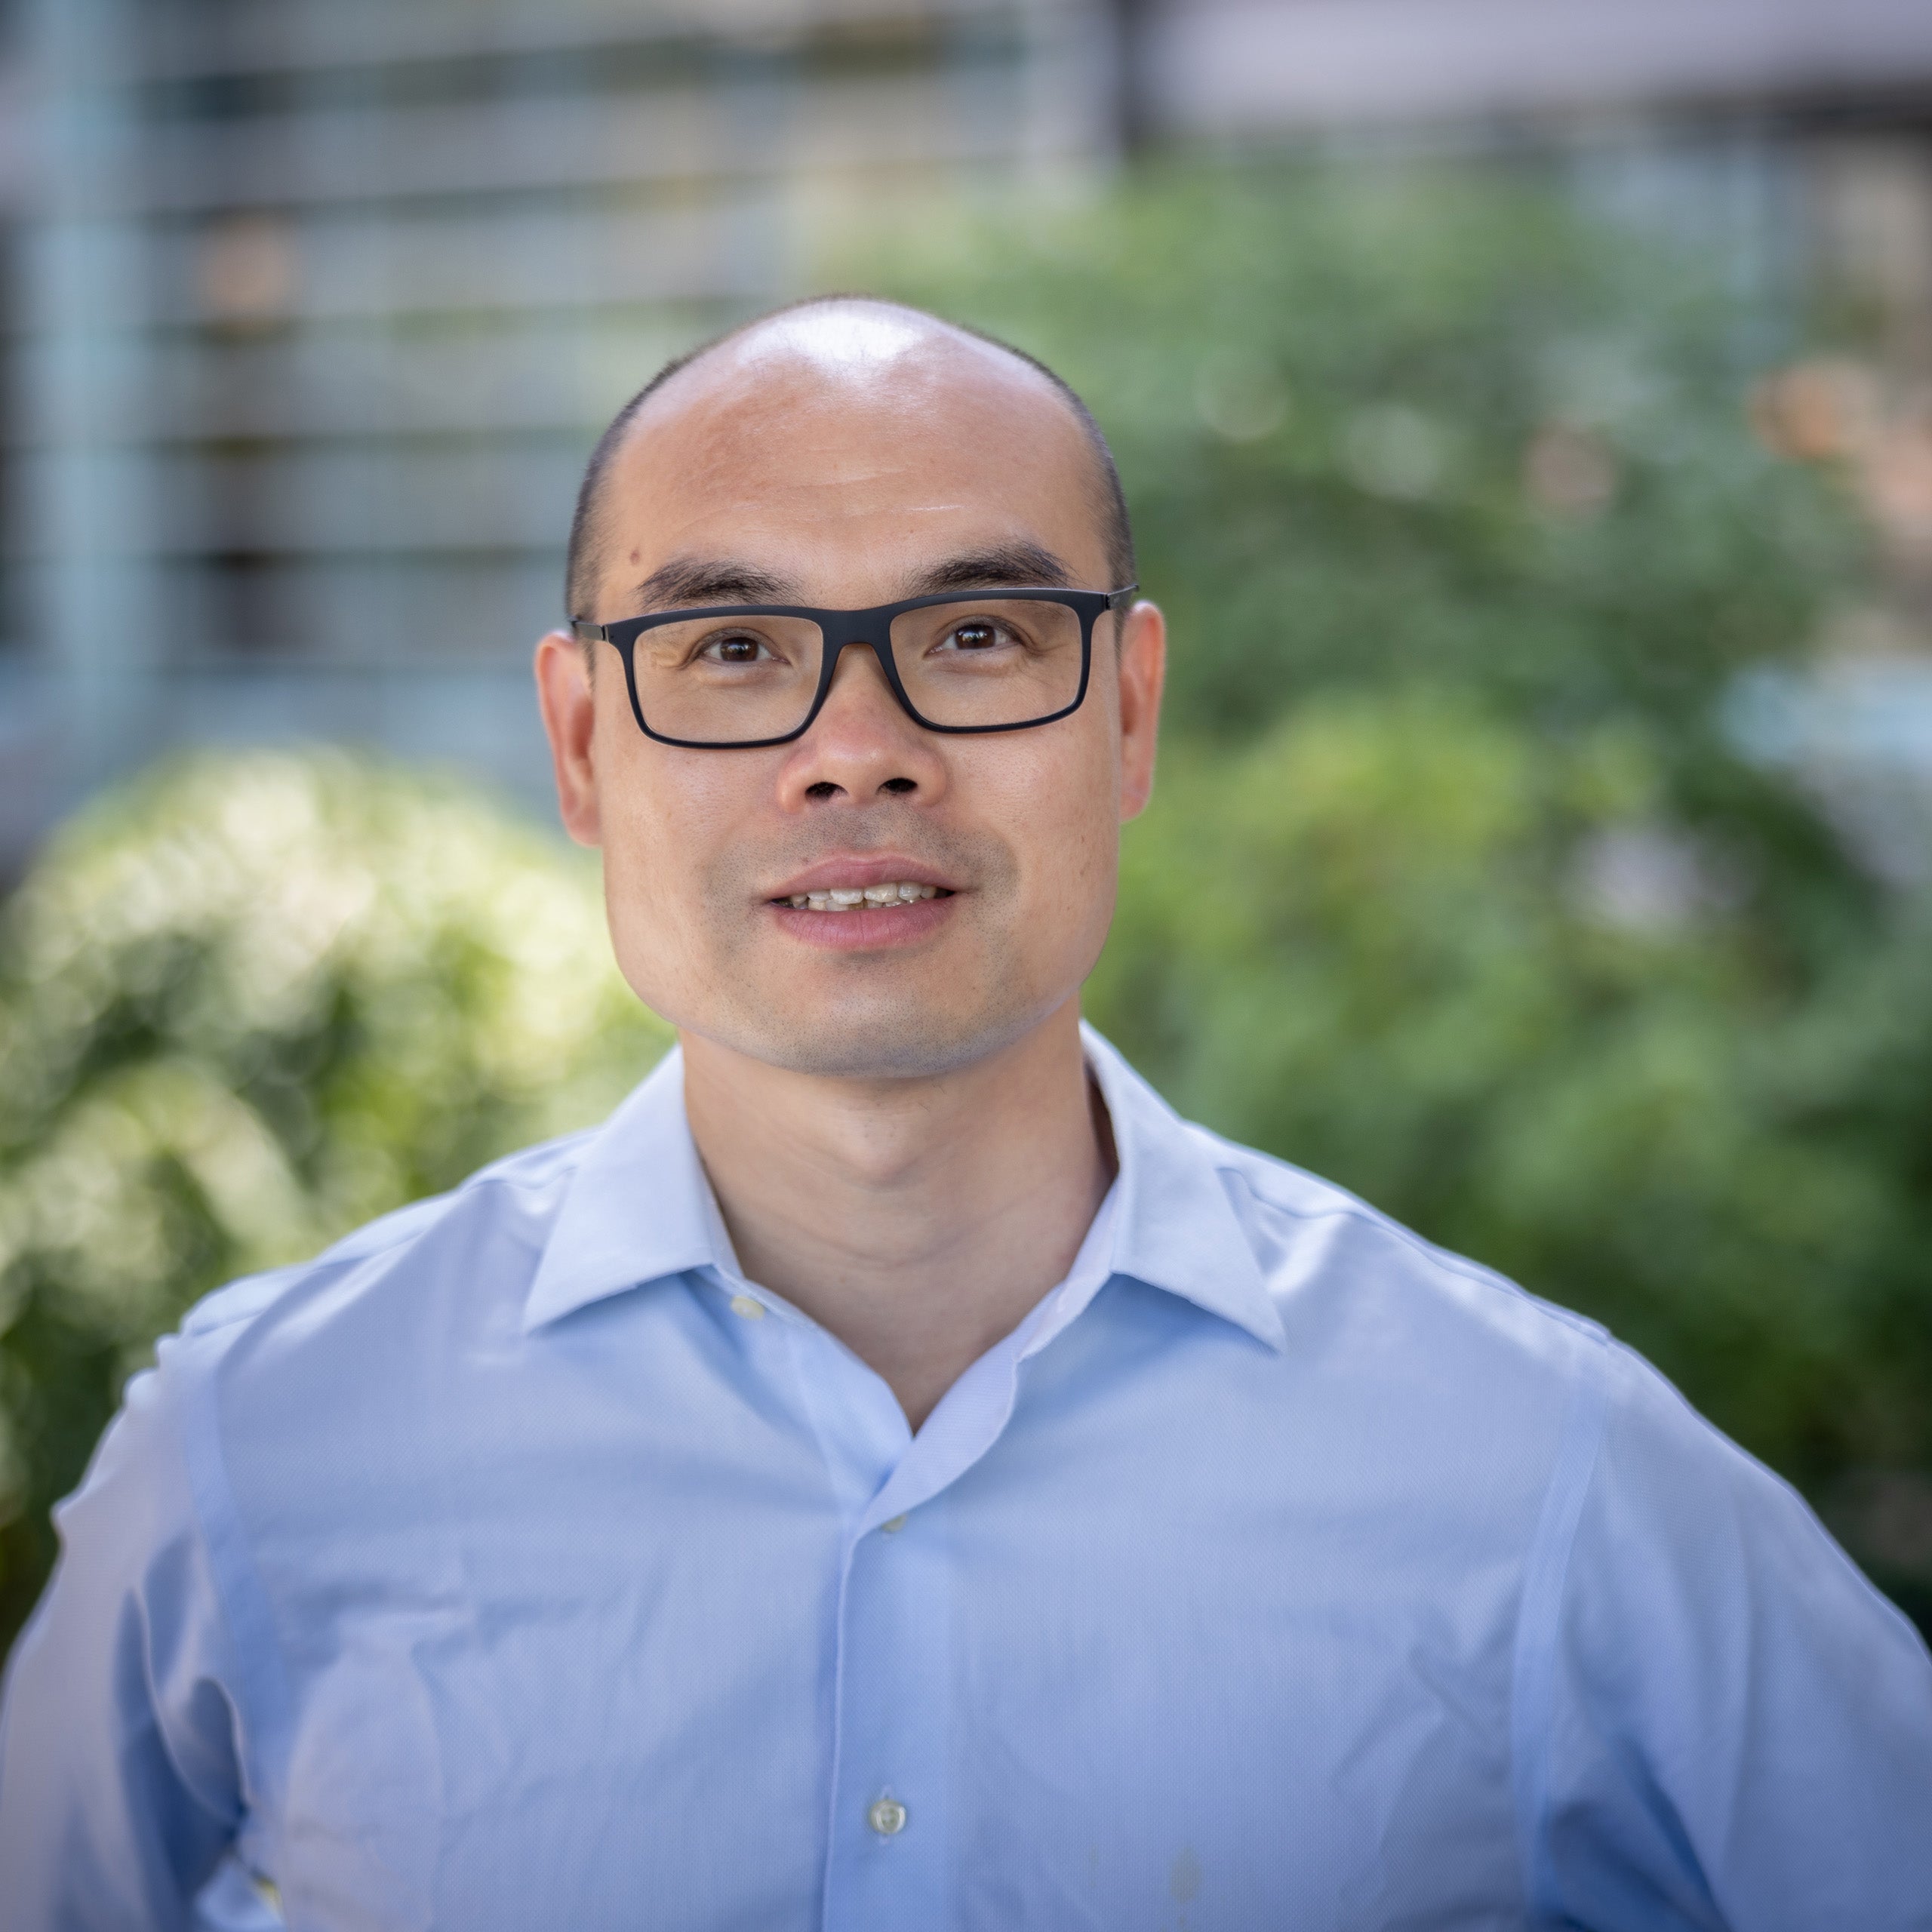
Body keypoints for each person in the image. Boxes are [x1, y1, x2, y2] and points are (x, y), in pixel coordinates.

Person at [2, 295, 1928, 1932]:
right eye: (732, 648)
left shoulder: (1541, 1471)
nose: (856, 750)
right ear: (583, 745)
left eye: (981, 636)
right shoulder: (261, 1445)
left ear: (1128, 712)